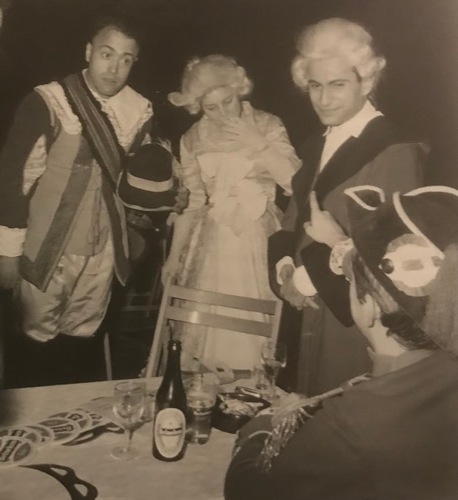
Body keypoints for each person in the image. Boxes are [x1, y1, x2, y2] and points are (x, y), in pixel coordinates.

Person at [225, 184, 458, 500]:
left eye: (351, 282)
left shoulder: (352, 421)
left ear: (370, 307)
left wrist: (263, 424)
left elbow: (246, 490)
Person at [269, 17, 426, 395]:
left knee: (339, 411)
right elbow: (293, 218)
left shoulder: (395, 149)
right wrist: (285, 267)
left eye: (338, 85)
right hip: (303, 312)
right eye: (315, 86)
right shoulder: (315, 145)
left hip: (352, 323)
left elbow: (398, 254)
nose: (323, 99)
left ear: (367, 82)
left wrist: (308, 278)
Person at [0, 14, 154, 386]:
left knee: (82, 344)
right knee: (33, 345)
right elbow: (14, 181)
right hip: (46, 250)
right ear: (88, 52)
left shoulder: (139, 110)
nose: (114, 68)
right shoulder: (49, 101)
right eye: (106, 54)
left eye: (126, 59)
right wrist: (7, 253)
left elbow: (139, 182)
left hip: (103, 254)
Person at [163, 55, 300, 372]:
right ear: (198, 106)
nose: (223, 114)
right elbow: (194, 202)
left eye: (228, 102)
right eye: (211, 108)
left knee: (257, 329)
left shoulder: (267, 124)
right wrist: (172, 258)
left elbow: (296, 183)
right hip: (211, 245)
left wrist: (259, 143)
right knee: (207, 332)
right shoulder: (192, 139)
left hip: (260, 238)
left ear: (240, 90)